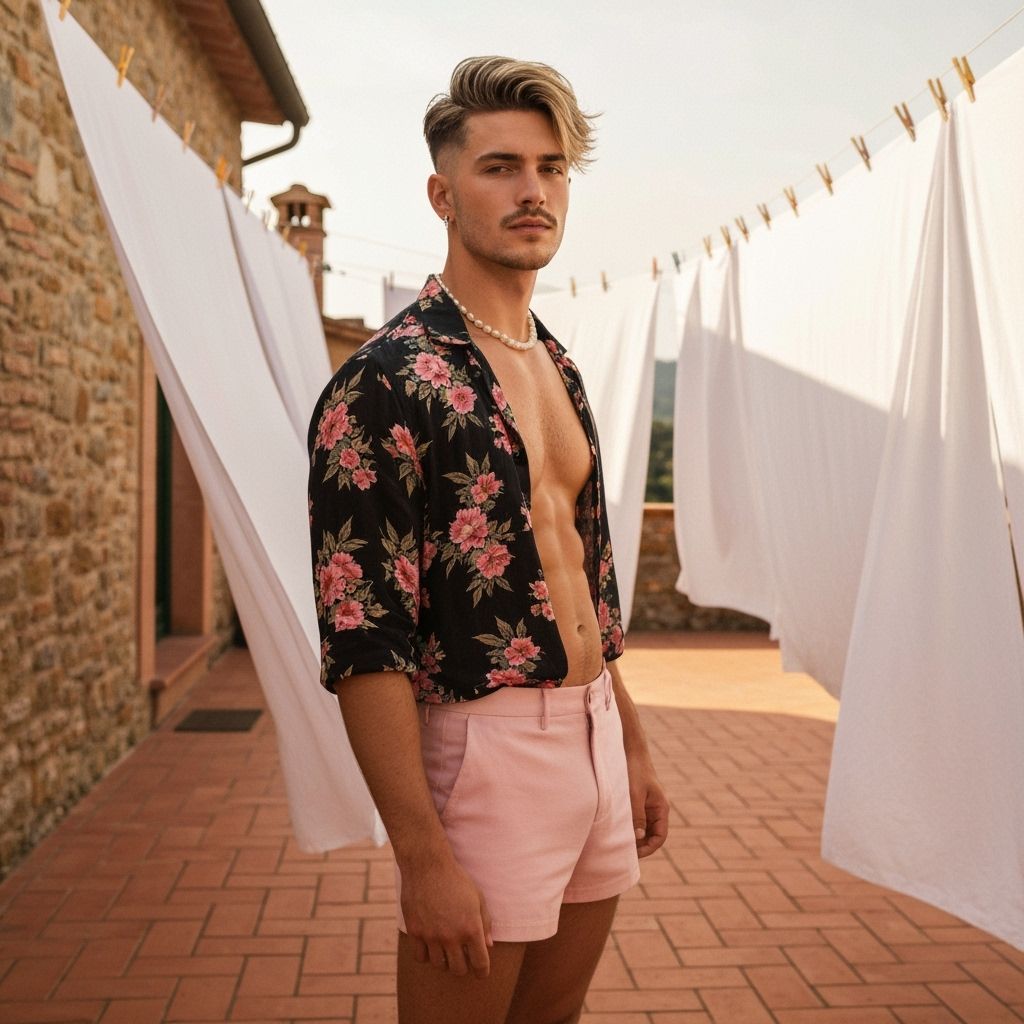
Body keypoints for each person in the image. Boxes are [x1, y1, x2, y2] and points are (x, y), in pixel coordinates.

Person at [306, 55, 669, 1024]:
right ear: (442, 191)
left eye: (550, 169)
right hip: (486, 747)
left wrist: (626, 740)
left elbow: (584, 581)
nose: (532, 192)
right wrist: (421, 854)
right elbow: (362, 635)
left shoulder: (555, 363)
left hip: (590, 730)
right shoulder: (385, 381)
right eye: (501, 166)